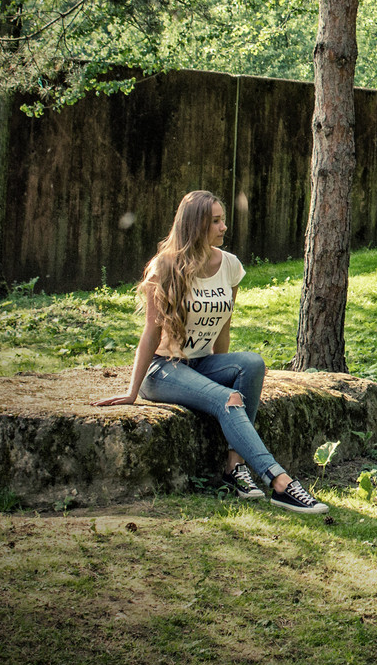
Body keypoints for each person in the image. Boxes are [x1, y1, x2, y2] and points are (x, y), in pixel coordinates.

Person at [93, 190, 328, 515]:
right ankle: (279, 482)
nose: (223, 227)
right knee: (226, 399)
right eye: (215, 221)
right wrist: (132, 391)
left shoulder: (229, 265)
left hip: (202, 363)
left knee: (251, 363)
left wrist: (226, 373)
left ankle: (234, 467)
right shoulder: (165, 266)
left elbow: (224, 328)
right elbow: (151, 331)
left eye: (223, 220)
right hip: (164, 370)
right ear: (196, 225)